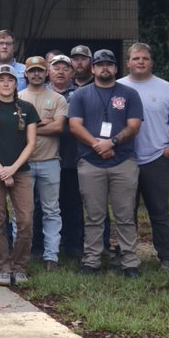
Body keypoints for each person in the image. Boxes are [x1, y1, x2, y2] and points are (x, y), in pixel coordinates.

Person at [68, 49, 144, 277]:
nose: (105, 68)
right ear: (92, 69)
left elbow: (133, 126)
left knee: (125, 214)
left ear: (116, 68)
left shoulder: (129, 94)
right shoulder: (81, 95)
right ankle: (92, 260)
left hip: (123, 161)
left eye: (109, 64)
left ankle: (130, 262)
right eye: (100, 64)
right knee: (94, 215)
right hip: (90, 162)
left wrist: (110, 143)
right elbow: (74, 126)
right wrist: (96, 145)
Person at [118, 42, 169, 271]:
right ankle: (126, 256)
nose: (140, 62)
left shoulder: (166, 88)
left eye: (145, 58)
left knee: (159, 211)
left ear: (151, 62)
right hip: (124, 159)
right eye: (136, 58)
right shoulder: (117, 87)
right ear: (127, 62)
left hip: (155, 158)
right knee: (125, 212)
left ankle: (167, 257)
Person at [0, 65, 40, 286]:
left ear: (16, 83)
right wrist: (1, 169)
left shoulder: (27, 108)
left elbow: (31, 143)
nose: (5, 84)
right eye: (1, 80)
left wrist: (12, 169)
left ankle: (19, 266)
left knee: (25, 220)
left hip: (20, 172)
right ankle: (3, 267)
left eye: (10, 80)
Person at [17, 57, 69, 270]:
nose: (36, 74)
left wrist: (29, 126)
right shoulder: (17, 97)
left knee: (51, 210)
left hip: (50, 162)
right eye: (32, 71)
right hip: (24, 163)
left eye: (40, 71)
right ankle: (21, 255)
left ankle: (51, 257)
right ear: (26, 74)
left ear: (45, 72)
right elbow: (14, 129)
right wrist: (44, 123)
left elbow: (59, 128)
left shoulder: (58, 99)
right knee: (22, 211)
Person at [48, 54, 83, 260]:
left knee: (73, 205)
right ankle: (41, 246)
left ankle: (73, 245)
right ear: (48, 72)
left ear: (72, 72)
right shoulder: (39, 92)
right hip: (45, 157)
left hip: (72, 159)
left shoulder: (81, 94)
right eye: (56, 68)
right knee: (43, 206)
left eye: (65, 68)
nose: (60, 71)